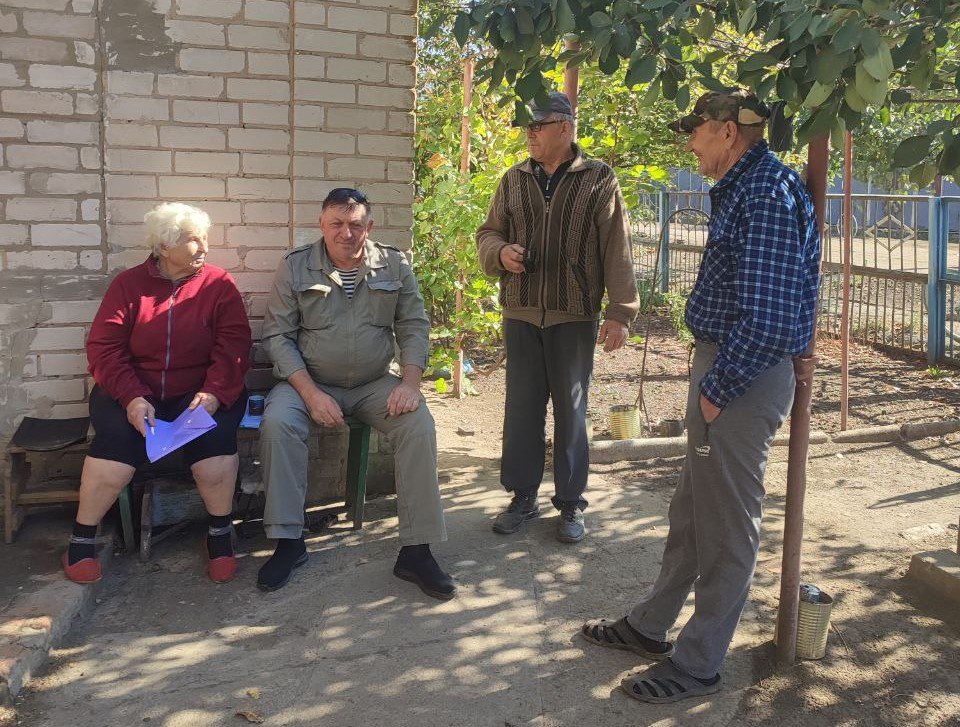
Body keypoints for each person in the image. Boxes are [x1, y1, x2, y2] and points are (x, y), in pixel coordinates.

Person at [581, 90, 821, 703]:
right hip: (729, 369)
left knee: (726, 530)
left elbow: (767, 319)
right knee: (691, 513)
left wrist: (716, 390)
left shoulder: (765, 191)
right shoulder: (748, 185)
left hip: (742, 375)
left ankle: (698, 665)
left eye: (696, 131)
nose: (690, 143)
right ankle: (650, 626)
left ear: (726, 132)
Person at [257, 188, 454, 599]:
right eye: (337, 224)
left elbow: (413, 325)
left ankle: (417, 551)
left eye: (355, 225)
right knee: (277, 423)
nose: (346, 233)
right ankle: (288, 543)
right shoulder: (295, 267)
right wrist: (310, 395)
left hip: (373, 383)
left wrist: (410, 384)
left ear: (370, 226)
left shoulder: (394, 264)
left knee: (418, 424)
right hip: (309, 382)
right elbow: (277, 337)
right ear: (322, 225)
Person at [477, 91, 639, 543]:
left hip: (574, 313)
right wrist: (500, 252)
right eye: (526, 127)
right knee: (522, 408)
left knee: (572, 409)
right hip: (521, 311)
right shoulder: (513, 179)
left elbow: (617, 247)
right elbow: (489, 232)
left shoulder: (599, 179)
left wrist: (621, 313)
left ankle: (570, 503)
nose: (529, 135)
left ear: (564, 128)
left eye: (537, 126)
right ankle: (522, 495)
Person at [64, 202, 252, 585]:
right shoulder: (128, 285)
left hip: (200, 391)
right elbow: (104, 349)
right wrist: (133, 397)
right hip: (132, 391)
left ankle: (219, 534)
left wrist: (213, 393)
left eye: (204, 238)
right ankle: (82, 538)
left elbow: (235, 346)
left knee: (213, 452)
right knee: (114, 454)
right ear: (164, 247)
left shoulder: (219, 284)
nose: (203, 247)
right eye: (192, 240)